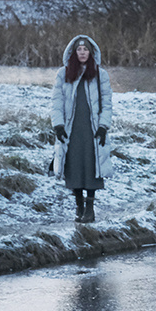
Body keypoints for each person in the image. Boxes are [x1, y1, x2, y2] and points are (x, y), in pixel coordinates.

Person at [51, 35, 113, 222]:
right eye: (79, 49)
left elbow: (107, 104)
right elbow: (56, 102)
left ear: (91, 52)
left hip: (92, 130)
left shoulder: (100, 74)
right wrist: (58, 126)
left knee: (92, 166)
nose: (82, 52)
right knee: (74, 166)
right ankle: (79, 206)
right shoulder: (63, 74)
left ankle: (90, 210)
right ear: (73, 52)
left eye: (86, 49)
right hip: (71, 129)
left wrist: (103, 126)